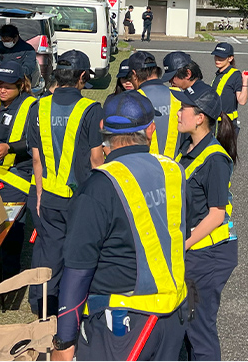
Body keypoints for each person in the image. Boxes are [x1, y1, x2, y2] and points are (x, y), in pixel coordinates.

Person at [51, 91, 187, 361]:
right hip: (172, 317)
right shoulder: (174, 171)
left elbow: (78, 270)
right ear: (150, 131)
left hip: (121, 324)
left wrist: (64, 340)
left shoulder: (98, 186)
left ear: (104, 131)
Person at [27, 50, 104, 315]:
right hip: (81, 198)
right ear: (82, 76)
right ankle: (73, 310)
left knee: (49, 252)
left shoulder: (38, 107)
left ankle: (43, 307)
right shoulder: (91, 110)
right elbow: (96, 158)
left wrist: (38, 195)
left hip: (48, 196)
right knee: (80, 255)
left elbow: (36, 159)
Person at [172, 80, 238, 361]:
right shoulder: (187, 146)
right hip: (193, 250)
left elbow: (217, 214)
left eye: (184, 108)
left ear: (200, 118)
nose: (177, 112)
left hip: (207, 253)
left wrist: (183, 244)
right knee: (185, 322)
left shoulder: (215, 160)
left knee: (199, 327)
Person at [0, 60, 36, 278]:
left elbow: (33, 141)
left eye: (8, 86)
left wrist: (9, 147)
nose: (1, 89)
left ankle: (9, 272)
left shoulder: (32, 106)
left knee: (11, 226)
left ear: (21, 84)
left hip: (17, 176)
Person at [127, 50, 183, 159]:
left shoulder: (132, 100)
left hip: (146, 169)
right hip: (177, 170)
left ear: (134, 74)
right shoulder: (179, 95)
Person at [210, 42, 248, 134]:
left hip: (227, 124)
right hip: (215, 122)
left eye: (221, 57)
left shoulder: (235, 75)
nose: (217, 60)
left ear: (230, 58)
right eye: (216, 56)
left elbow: (242, 101)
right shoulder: (219, 74)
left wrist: (245, 80)